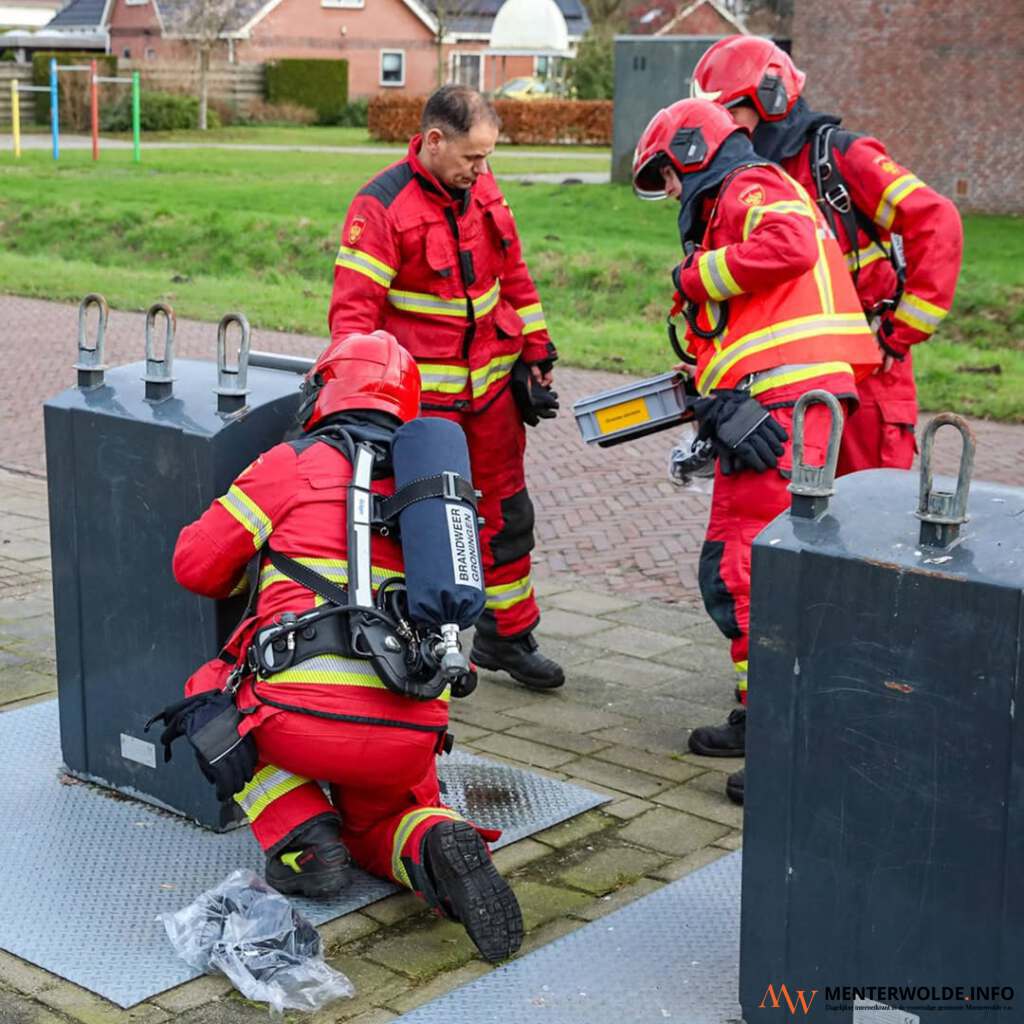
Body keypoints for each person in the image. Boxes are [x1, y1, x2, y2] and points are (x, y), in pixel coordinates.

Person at [154, 332, 523, 964]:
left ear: (325, 390)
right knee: (387, 818)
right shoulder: (429, 491)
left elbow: (195, 565)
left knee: (208, 690)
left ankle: (301, 835)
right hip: (409, 731)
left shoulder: (289, 463)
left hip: (299, 721)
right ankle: (436, 841)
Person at [632, 99, 881, 803]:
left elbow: (792, 247)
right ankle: (761, 713)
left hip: (783, 408)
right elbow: (757, 322)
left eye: (667, 177)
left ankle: (786, 735)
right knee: (745, 565)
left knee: (747, 571)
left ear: (689, 150)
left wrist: (696, 275)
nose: (672, 194)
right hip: (776, 406)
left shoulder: (750, 187)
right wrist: (712, 391)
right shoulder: (746, 193)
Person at [326, 84, 564, 692]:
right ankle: (423, 647)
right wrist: (364, 406)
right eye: (471, 157)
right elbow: (352, 321)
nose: (481, 170)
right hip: (424, 417)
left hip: (491, 404)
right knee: (426, 529)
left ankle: (507, 635)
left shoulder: (479, 188)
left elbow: (513, 273)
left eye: (486, 158)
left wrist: (535, 352)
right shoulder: (380, 208)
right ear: (434, 141)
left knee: (509, 516)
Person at [691, 35, 963, 474]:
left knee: (868, 522)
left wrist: (901, 331)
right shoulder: (742, 184)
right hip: (783, 383)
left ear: (771, 99)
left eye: (730, 113)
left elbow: (937, 222)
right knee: (787, 527)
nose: (722, 130)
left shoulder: (839, 157)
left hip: (868, 376)